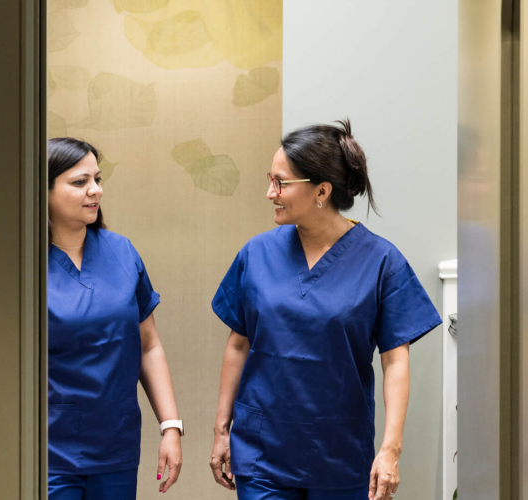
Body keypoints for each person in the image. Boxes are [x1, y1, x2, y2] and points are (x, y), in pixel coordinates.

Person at [208, 120, 442, 500]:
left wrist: (390, 449)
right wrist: (221, 431)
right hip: (261, 451)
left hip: (340, 455)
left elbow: (395, 360)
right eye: (271, 179)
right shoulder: (257, 254)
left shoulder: (381, 261)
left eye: (281, 183)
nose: (270, 193)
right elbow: (238, 344)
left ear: (321, 190)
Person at [47, 137, 183, 499]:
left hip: (115, 441)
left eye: (98, 179)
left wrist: (170, 426)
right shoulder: (24, 263)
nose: (95, 191)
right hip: (47, 445)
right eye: (79, 182)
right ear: (42, 190)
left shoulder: (121, 252)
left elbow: (149, 345)